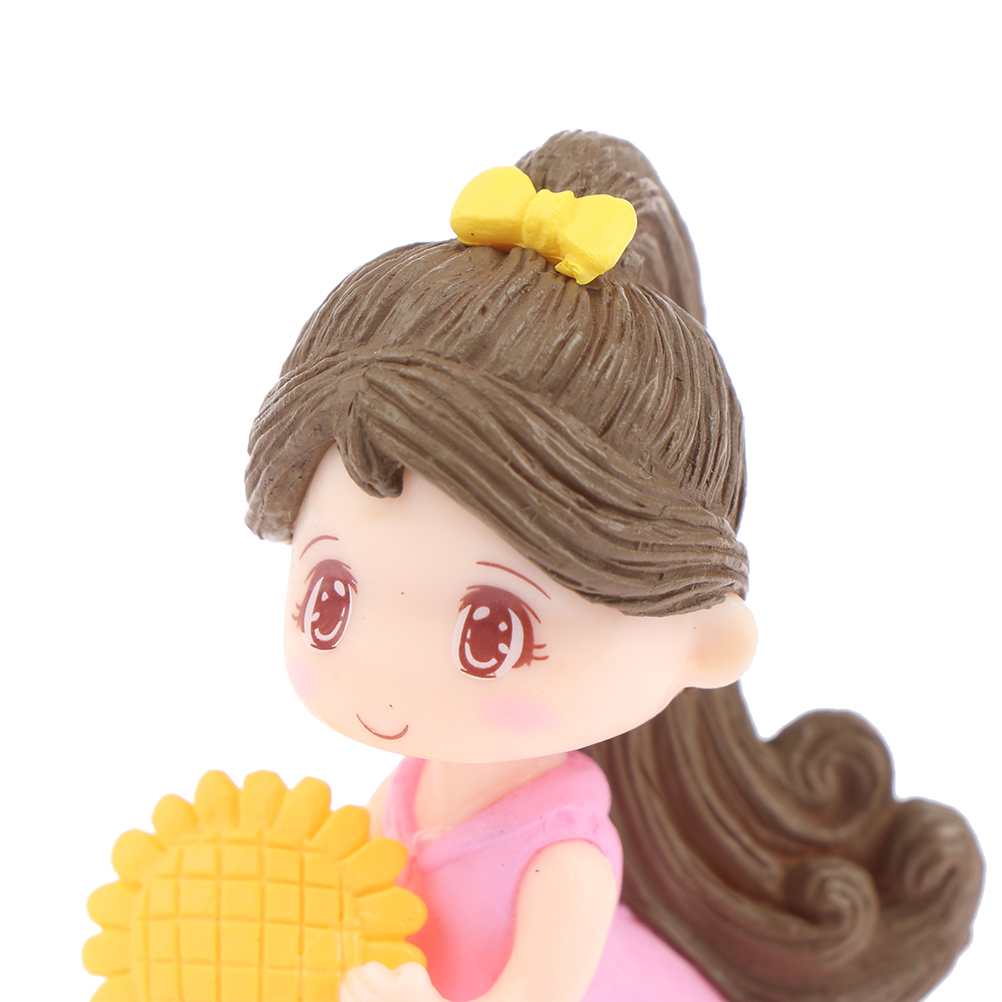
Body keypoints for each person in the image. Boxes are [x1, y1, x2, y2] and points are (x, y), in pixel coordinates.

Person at [245, 132, 981, 1002]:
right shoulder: (400, 798)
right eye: (331, 599)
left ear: (702, 642)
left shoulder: (563, 856)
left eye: (490, 632)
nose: (388, 667)